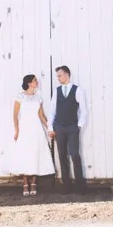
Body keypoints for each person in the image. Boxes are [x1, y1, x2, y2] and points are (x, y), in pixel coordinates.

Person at [8, 74, 55, 196]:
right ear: (29, 83)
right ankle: (25, 183)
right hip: (25, 130)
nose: (37, 82)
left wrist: (49, 128)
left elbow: (41, 116)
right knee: (25, 155)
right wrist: (17, 130)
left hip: (37, 130)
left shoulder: (38, 98)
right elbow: (15, 115)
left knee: (36, 154)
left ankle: (33, 182)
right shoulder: (20, 97)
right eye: (35, 81)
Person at [48, 65, 88, 193]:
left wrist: (79, 125)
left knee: (74, 154)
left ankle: (80, 186)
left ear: (66, 74)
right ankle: (66, 186)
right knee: (62, 156)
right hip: (59, 127)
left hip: (72, 127)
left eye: (59, 75)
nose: (58, 78)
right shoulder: (57, 91)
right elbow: (52, 110)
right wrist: (50, 127)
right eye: (57, 76)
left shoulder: (77, 90)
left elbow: (84, 110)